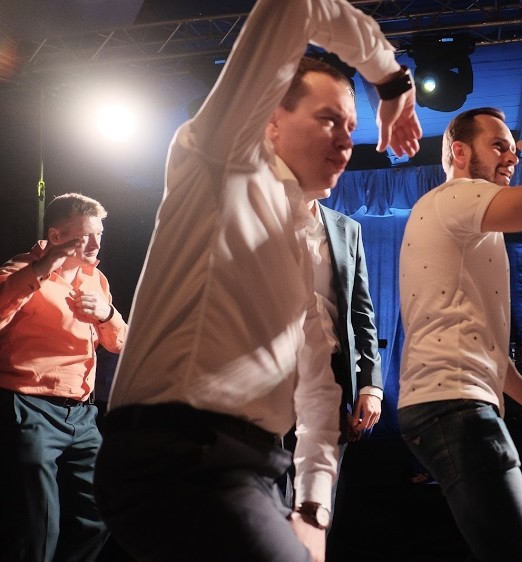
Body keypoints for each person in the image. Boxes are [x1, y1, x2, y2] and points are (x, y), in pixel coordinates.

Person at [92, 0, 421, 561]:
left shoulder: (305, 245)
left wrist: (313, 508)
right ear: (270, 119)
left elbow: (318, 389)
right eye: (329, 119)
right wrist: (391, 80)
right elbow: (294, 7)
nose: (347, 142)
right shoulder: (221, 160)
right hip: (181, 457)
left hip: (258, 471)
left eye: (351, 128)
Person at [398, 107, 522, 561]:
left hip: (447, 402)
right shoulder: (458, 195)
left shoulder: (466, 219)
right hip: (453, 405)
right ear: (459, 153)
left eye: (514, 149)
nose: (512, 157)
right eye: (499, 146)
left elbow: (483, 344)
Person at [0, 192, 128, 562]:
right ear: (56, 236)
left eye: (100, 234)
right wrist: (42, 269)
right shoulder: (20, 270)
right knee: (38, 527)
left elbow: (120, 342)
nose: (97, 244)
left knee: (100, 512)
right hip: (30, 409)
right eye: (87, 236)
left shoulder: (96, 279)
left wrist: (106, 314)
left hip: (82, 416)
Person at [270, 94, 384, 508]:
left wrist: (370, 385)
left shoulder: (347, 229)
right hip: (271, 380)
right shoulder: (254, 220)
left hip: (331, 380)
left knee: (317, 507)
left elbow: (362, 313)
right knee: (270, 505)